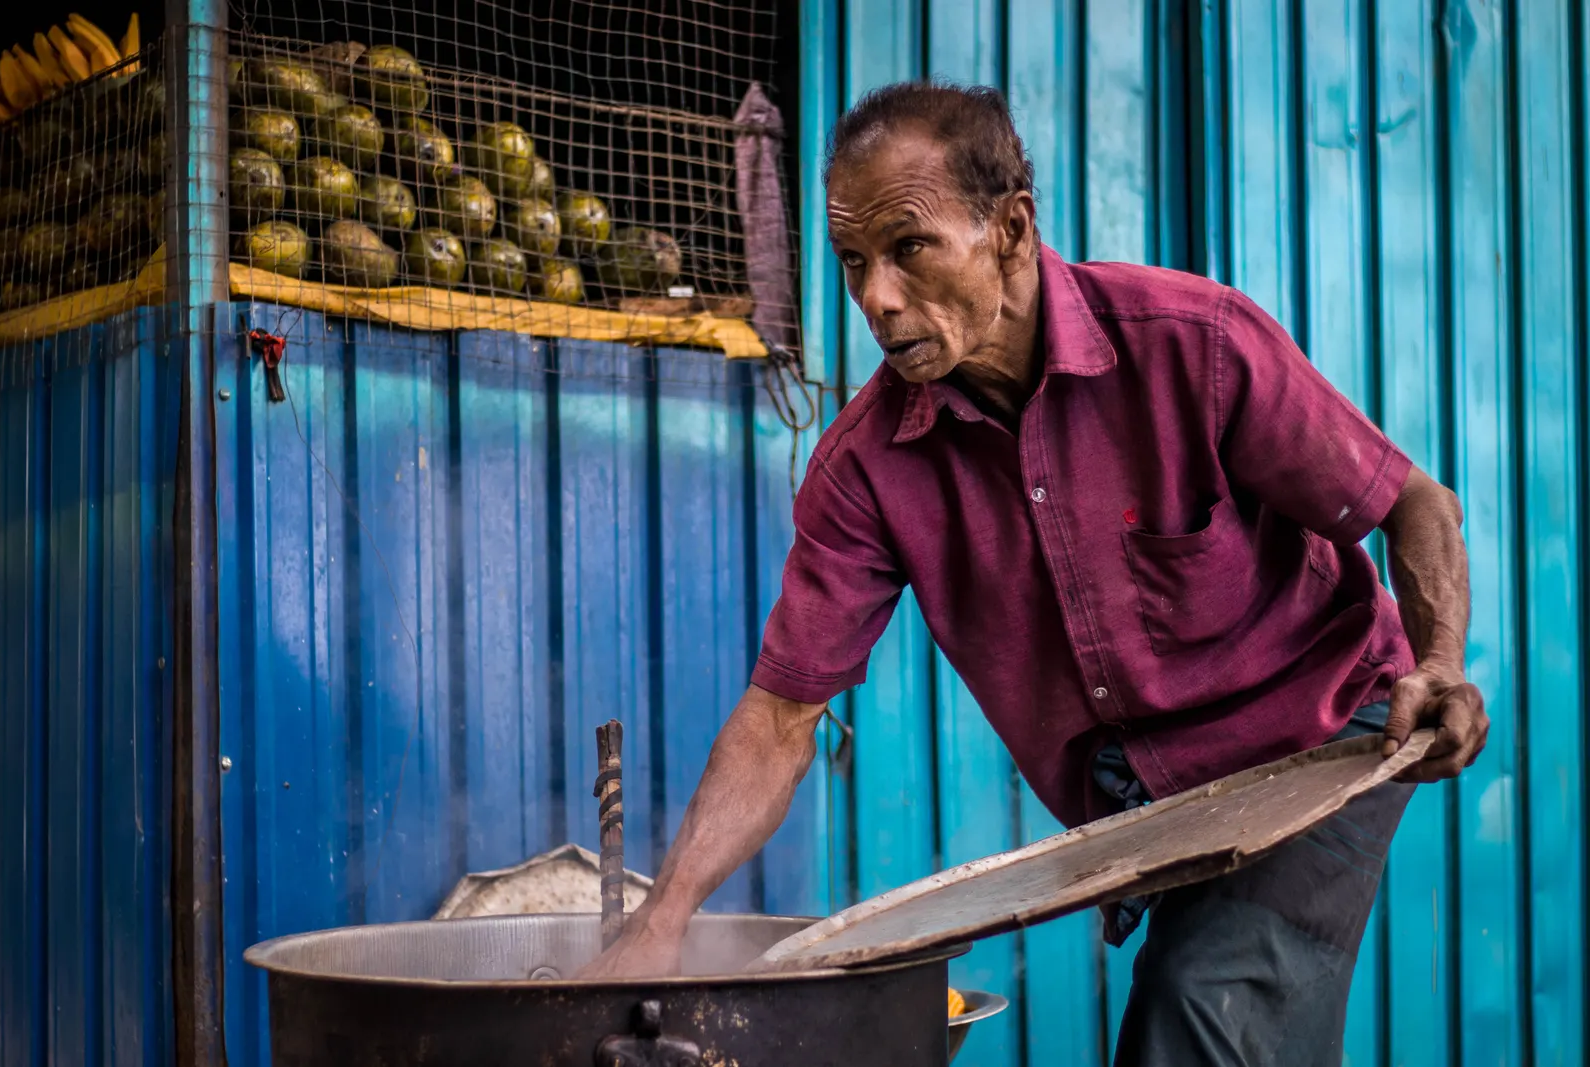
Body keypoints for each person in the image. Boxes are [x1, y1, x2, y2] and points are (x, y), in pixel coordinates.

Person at [579, 81, 1487, 1066]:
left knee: (1202, 1008)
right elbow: (779, 715)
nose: (876, 298)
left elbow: (1415, 505)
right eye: (852, 262)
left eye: (909, 248)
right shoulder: (865, 466)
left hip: (1322, 732)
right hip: (1146, 791)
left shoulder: (1194, 342)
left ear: (1010, 227)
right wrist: (665, 916)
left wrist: (1439, 659)